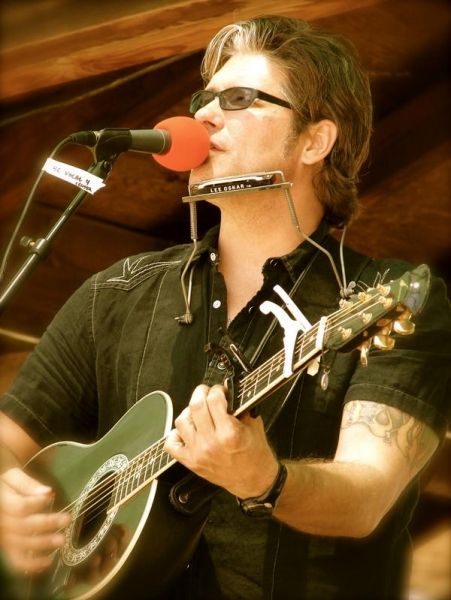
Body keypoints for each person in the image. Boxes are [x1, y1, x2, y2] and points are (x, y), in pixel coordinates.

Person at [1, 14, 450, 600]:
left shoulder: (387, 296)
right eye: (203, 100)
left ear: (314, 141)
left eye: (238, 99)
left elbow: (366, 494)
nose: (204, 116)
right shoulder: (115, 293)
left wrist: (267, 480)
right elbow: (9, 436)